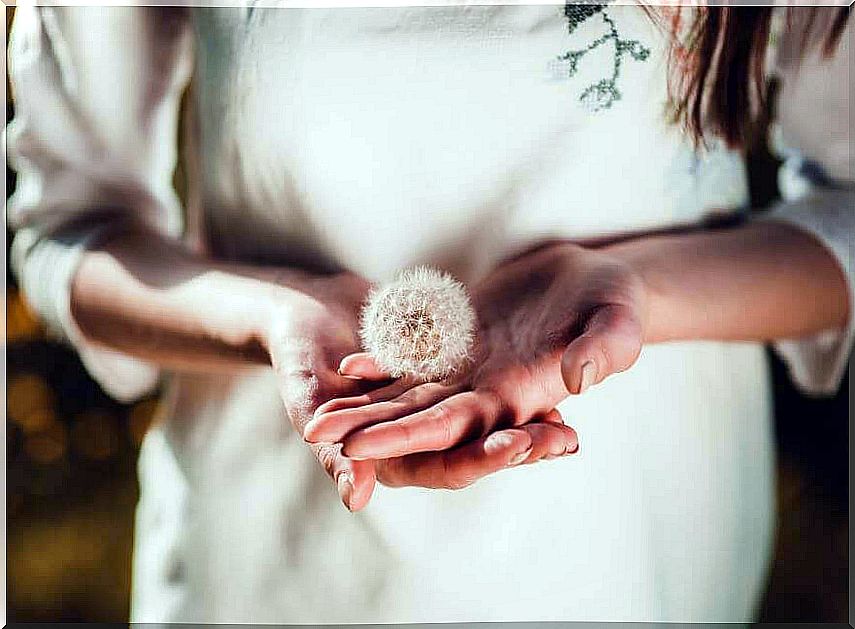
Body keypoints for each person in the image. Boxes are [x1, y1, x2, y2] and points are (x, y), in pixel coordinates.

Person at [6, 3, 851, 623]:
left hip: (634, 550)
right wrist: (271, 313)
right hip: (277, 564)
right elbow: (71, 228)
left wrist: (635, 288)